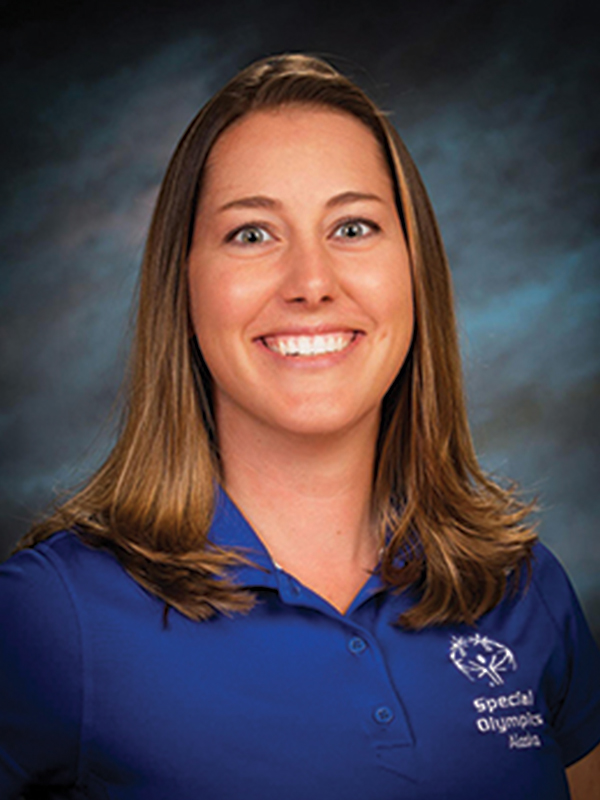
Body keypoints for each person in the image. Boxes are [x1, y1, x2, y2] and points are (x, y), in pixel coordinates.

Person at [1, 53, 599, 800]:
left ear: (416, 271)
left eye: (353, 226)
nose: (311, 283)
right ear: (182, 283)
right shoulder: (47, 615)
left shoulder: (525, 588)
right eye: (252, 234)